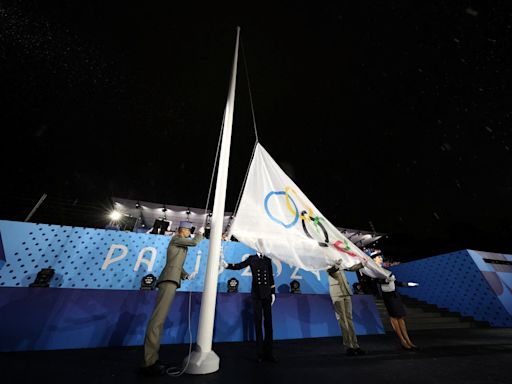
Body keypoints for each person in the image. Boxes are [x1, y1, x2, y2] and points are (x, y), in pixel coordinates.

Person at [140, 221, 205, 376]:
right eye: (190, 231)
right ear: (183, 231)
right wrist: (200, 234)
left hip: (172, 280)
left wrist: (186, 275)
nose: (190, 233)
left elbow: (176, 264)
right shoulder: (176, 238)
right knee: (157, 321)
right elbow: (195, 243)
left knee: (159, 321)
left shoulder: (179, 245)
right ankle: (149, 362)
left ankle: (153, 359)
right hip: (168, 280)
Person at [223, 252, 277, 363]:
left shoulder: (267, 259)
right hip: (257, 294)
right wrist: (227, 265)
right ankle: (260, 353)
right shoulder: (252, 258)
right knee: (258, 323)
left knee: (268, 324)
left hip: (267, 294)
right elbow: (240, 265)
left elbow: (270, 276)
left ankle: (269, 353)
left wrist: (273, 292)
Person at [373, 255, 419, 351]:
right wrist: (386, 280)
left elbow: (395, 282)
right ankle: (402, 341)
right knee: (394, 317)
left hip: (395, 295)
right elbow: (377, 281)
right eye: (378, 257)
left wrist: (408, 284)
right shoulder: (375, 270)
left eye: (380, 257)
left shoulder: (384, 269)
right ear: (374, 260)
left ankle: (408, 341)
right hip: (388, 296)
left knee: (400, 317)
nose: (380, 258)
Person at [327, 259, 368, 356]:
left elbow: (350, 268)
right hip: (337, 293)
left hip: (346, 292)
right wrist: (336, 264)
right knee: (342, 320)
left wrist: (361, 264)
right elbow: (331, 270)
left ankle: (355, 345)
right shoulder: (327, 261)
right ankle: (348, 346)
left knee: (349, 319)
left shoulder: (340, 260)